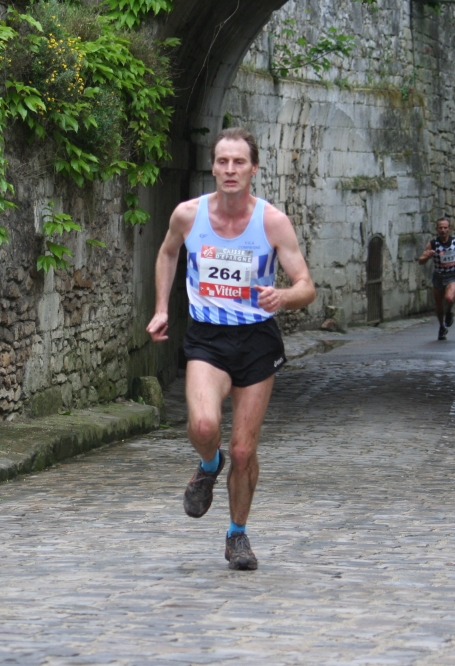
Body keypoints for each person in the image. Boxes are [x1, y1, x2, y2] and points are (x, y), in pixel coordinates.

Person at [146, 127, 315, 571]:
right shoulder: (188, 215)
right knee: (203, 425)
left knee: (243, 451)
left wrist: (283, 296)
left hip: (257, 339)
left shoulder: (272, 222)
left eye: (239, 162)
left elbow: (306, 286)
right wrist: (161, 308)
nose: (230, 169)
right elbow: (167, 253)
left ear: (253, 168)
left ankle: (237, 534)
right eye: (222, 161)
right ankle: (208, 463)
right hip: (207, 335)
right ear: (213, 167)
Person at [417, 218, 455, 340]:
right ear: (437, 229)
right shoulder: (433, 244)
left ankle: (449, 312)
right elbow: (420, 261)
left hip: (453, 274)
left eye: (445, 228)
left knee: (449, 298)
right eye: (440, 228)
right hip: (439, 276)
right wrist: (427, 257)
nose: (443, 230)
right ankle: (442, 326)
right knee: (439, 305)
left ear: (449, 229)